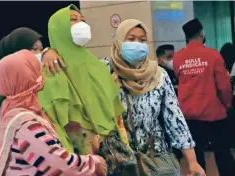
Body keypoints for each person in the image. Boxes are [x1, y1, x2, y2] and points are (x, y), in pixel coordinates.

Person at [101, 19, 205, 176]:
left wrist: (192, 161)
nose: (137, 44)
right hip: (119, 161)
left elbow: (174, 118)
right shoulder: (104, 70)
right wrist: (49, 52)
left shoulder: (158, 74)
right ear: (119, 41)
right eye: (131, 39)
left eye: (142, 40)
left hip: (156, 158)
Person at [0, 49, 107, 176]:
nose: (41, 74)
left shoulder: (11, 110)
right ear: (27, 77)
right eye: (36, 71)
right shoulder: (25, 123)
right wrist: (94, 163)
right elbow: (58, 162)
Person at [38, 4, 128, 155]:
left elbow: (116, 117)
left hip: (110, 152)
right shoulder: (50, 71)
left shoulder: (98, 66)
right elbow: (49, 121)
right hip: (75, 158)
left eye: (82, 20)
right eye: (73, 20)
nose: (81, 24)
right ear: (58, 29)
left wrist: (125, 145)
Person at [0, 27, 62, 153]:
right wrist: (0, 147)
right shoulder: (0, 84)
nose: (38, 54)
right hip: (17, 155)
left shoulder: (36, 80)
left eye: (41, 49)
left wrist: (49, 51)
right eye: (33, 49)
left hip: (45, 149)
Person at [173, 18, 235, 176]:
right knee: (223, 156)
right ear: (202, 33)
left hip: (189, 117)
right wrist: (227, 105)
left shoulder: (178, 58)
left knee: (197, 159)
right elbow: (224, 86)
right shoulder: (212, 55)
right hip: (214, 115)